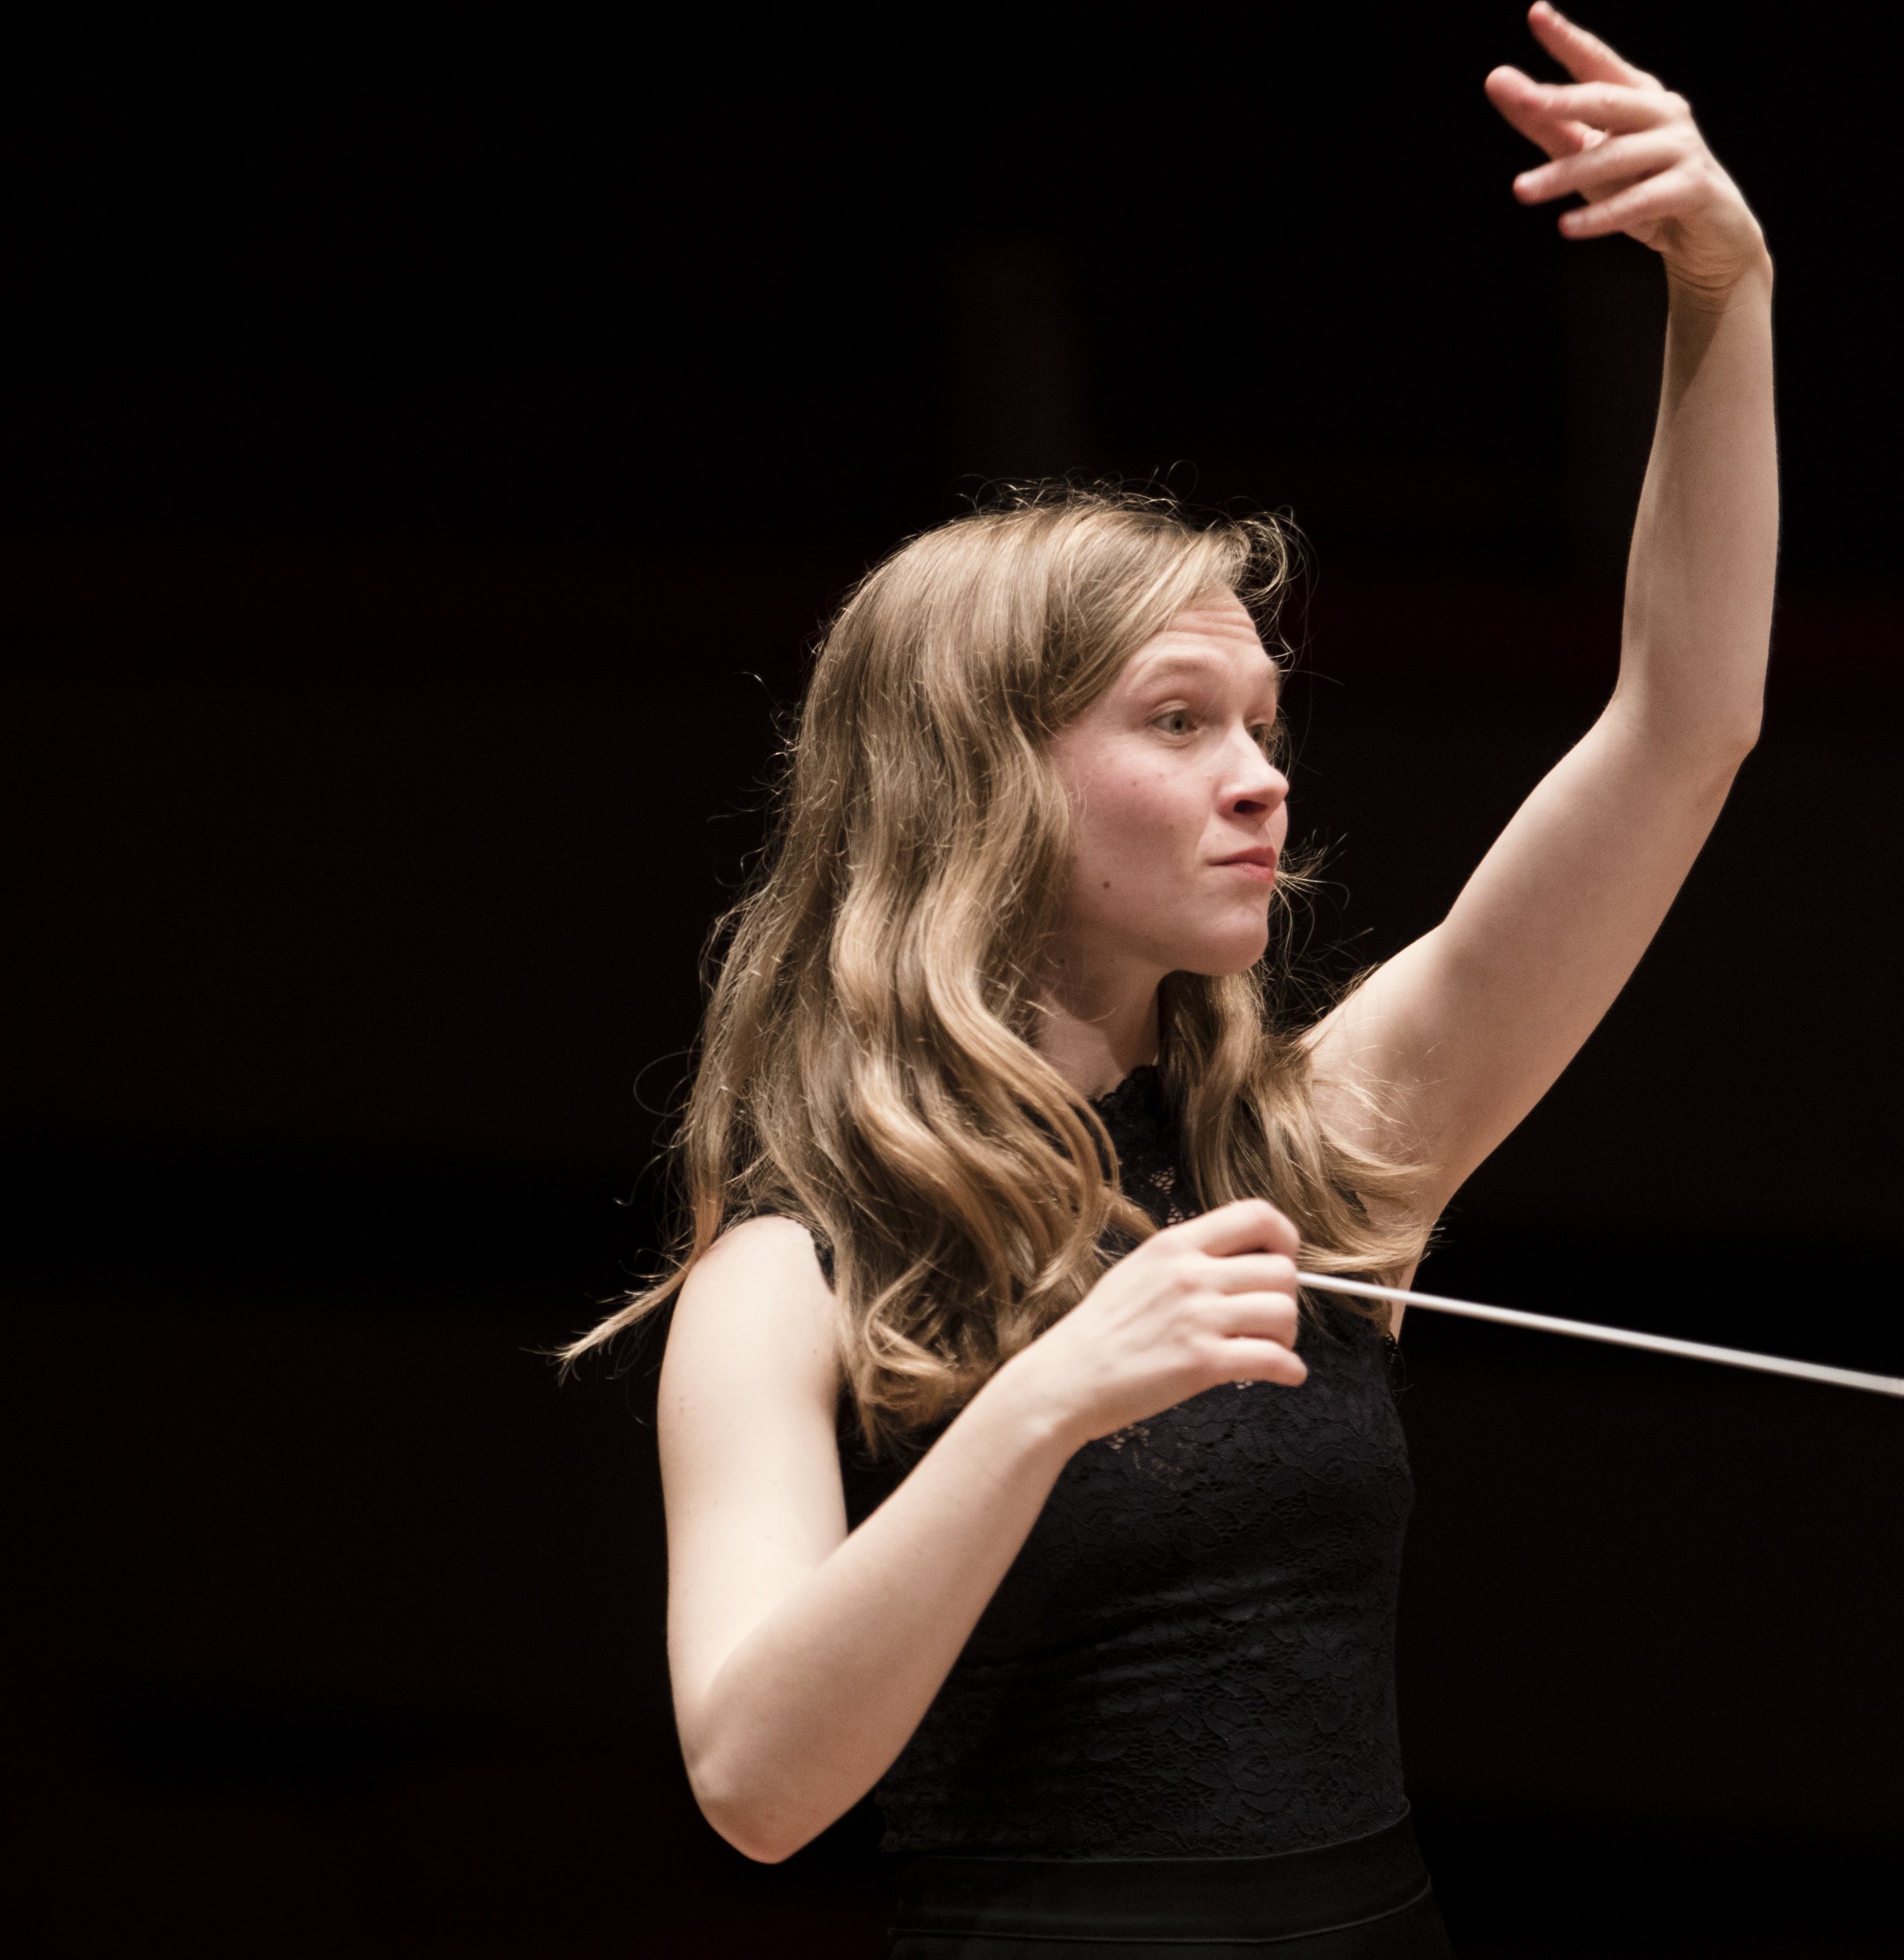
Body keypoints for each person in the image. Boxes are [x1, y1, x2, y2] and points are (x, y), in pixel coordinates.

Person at [566, 7, 1775, 1952]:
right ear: (984, 782)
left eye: (1266, 720)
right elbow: (761, 1788)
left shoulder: (1325, 1146)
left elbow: (1682, 729)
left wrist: (1726, 292)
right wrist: (1045, 1401)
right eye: (1181, 720)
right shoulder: (795, 1273)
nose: (1261, 776)